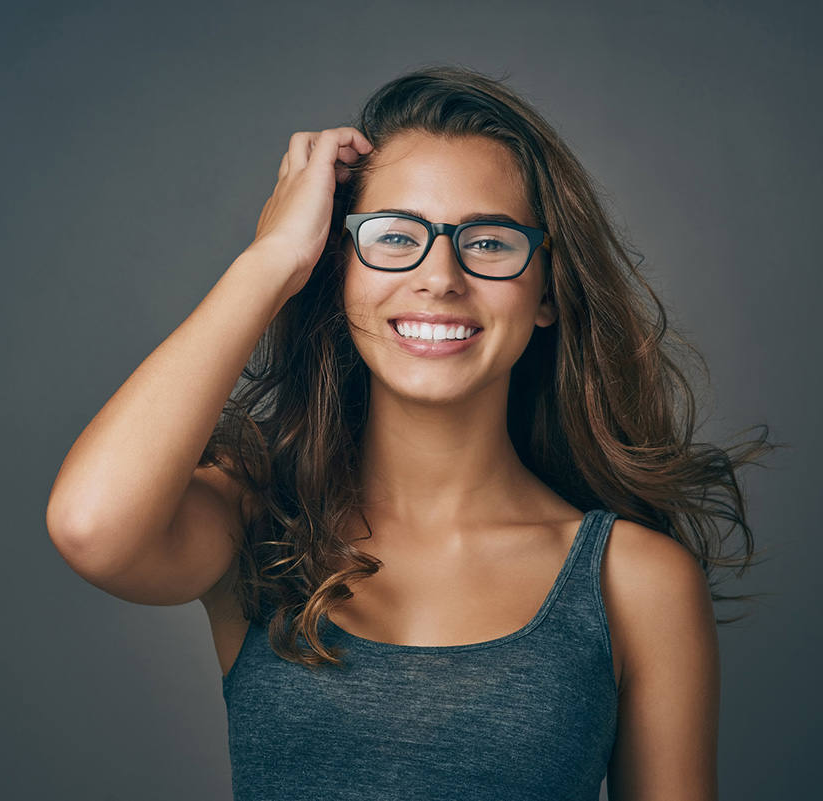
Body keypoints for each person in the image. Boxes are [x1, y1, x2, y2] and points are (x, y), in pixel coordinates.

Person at [46, 67, 768, 800]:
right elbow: (91, 526)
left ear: (547, 289)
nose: (440, 276)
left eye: (489, 242)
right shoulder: (258, 520)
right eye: (395, 237)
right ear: (338, 272)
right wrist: (269, 261)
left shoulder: (634, 581)